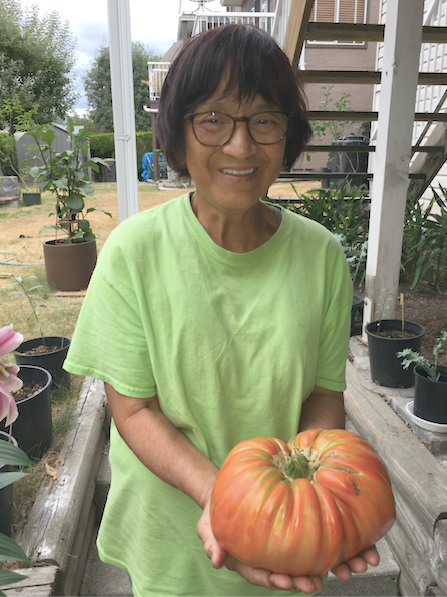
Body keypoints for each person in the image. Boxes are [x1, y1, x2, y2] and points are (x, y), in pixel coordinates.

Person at [64, 23, 379, 597]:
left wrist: (315, 498)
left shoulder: (322, 256)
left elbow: (323, 395)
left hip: (286, 537)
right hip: (171, 538)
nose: (240, 145)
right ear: (179, 134)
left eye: (264, 120)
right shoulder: (133, 254)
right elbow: (132, 410)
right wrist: (225, 498)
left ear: (288, 134)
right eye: (213, 119)